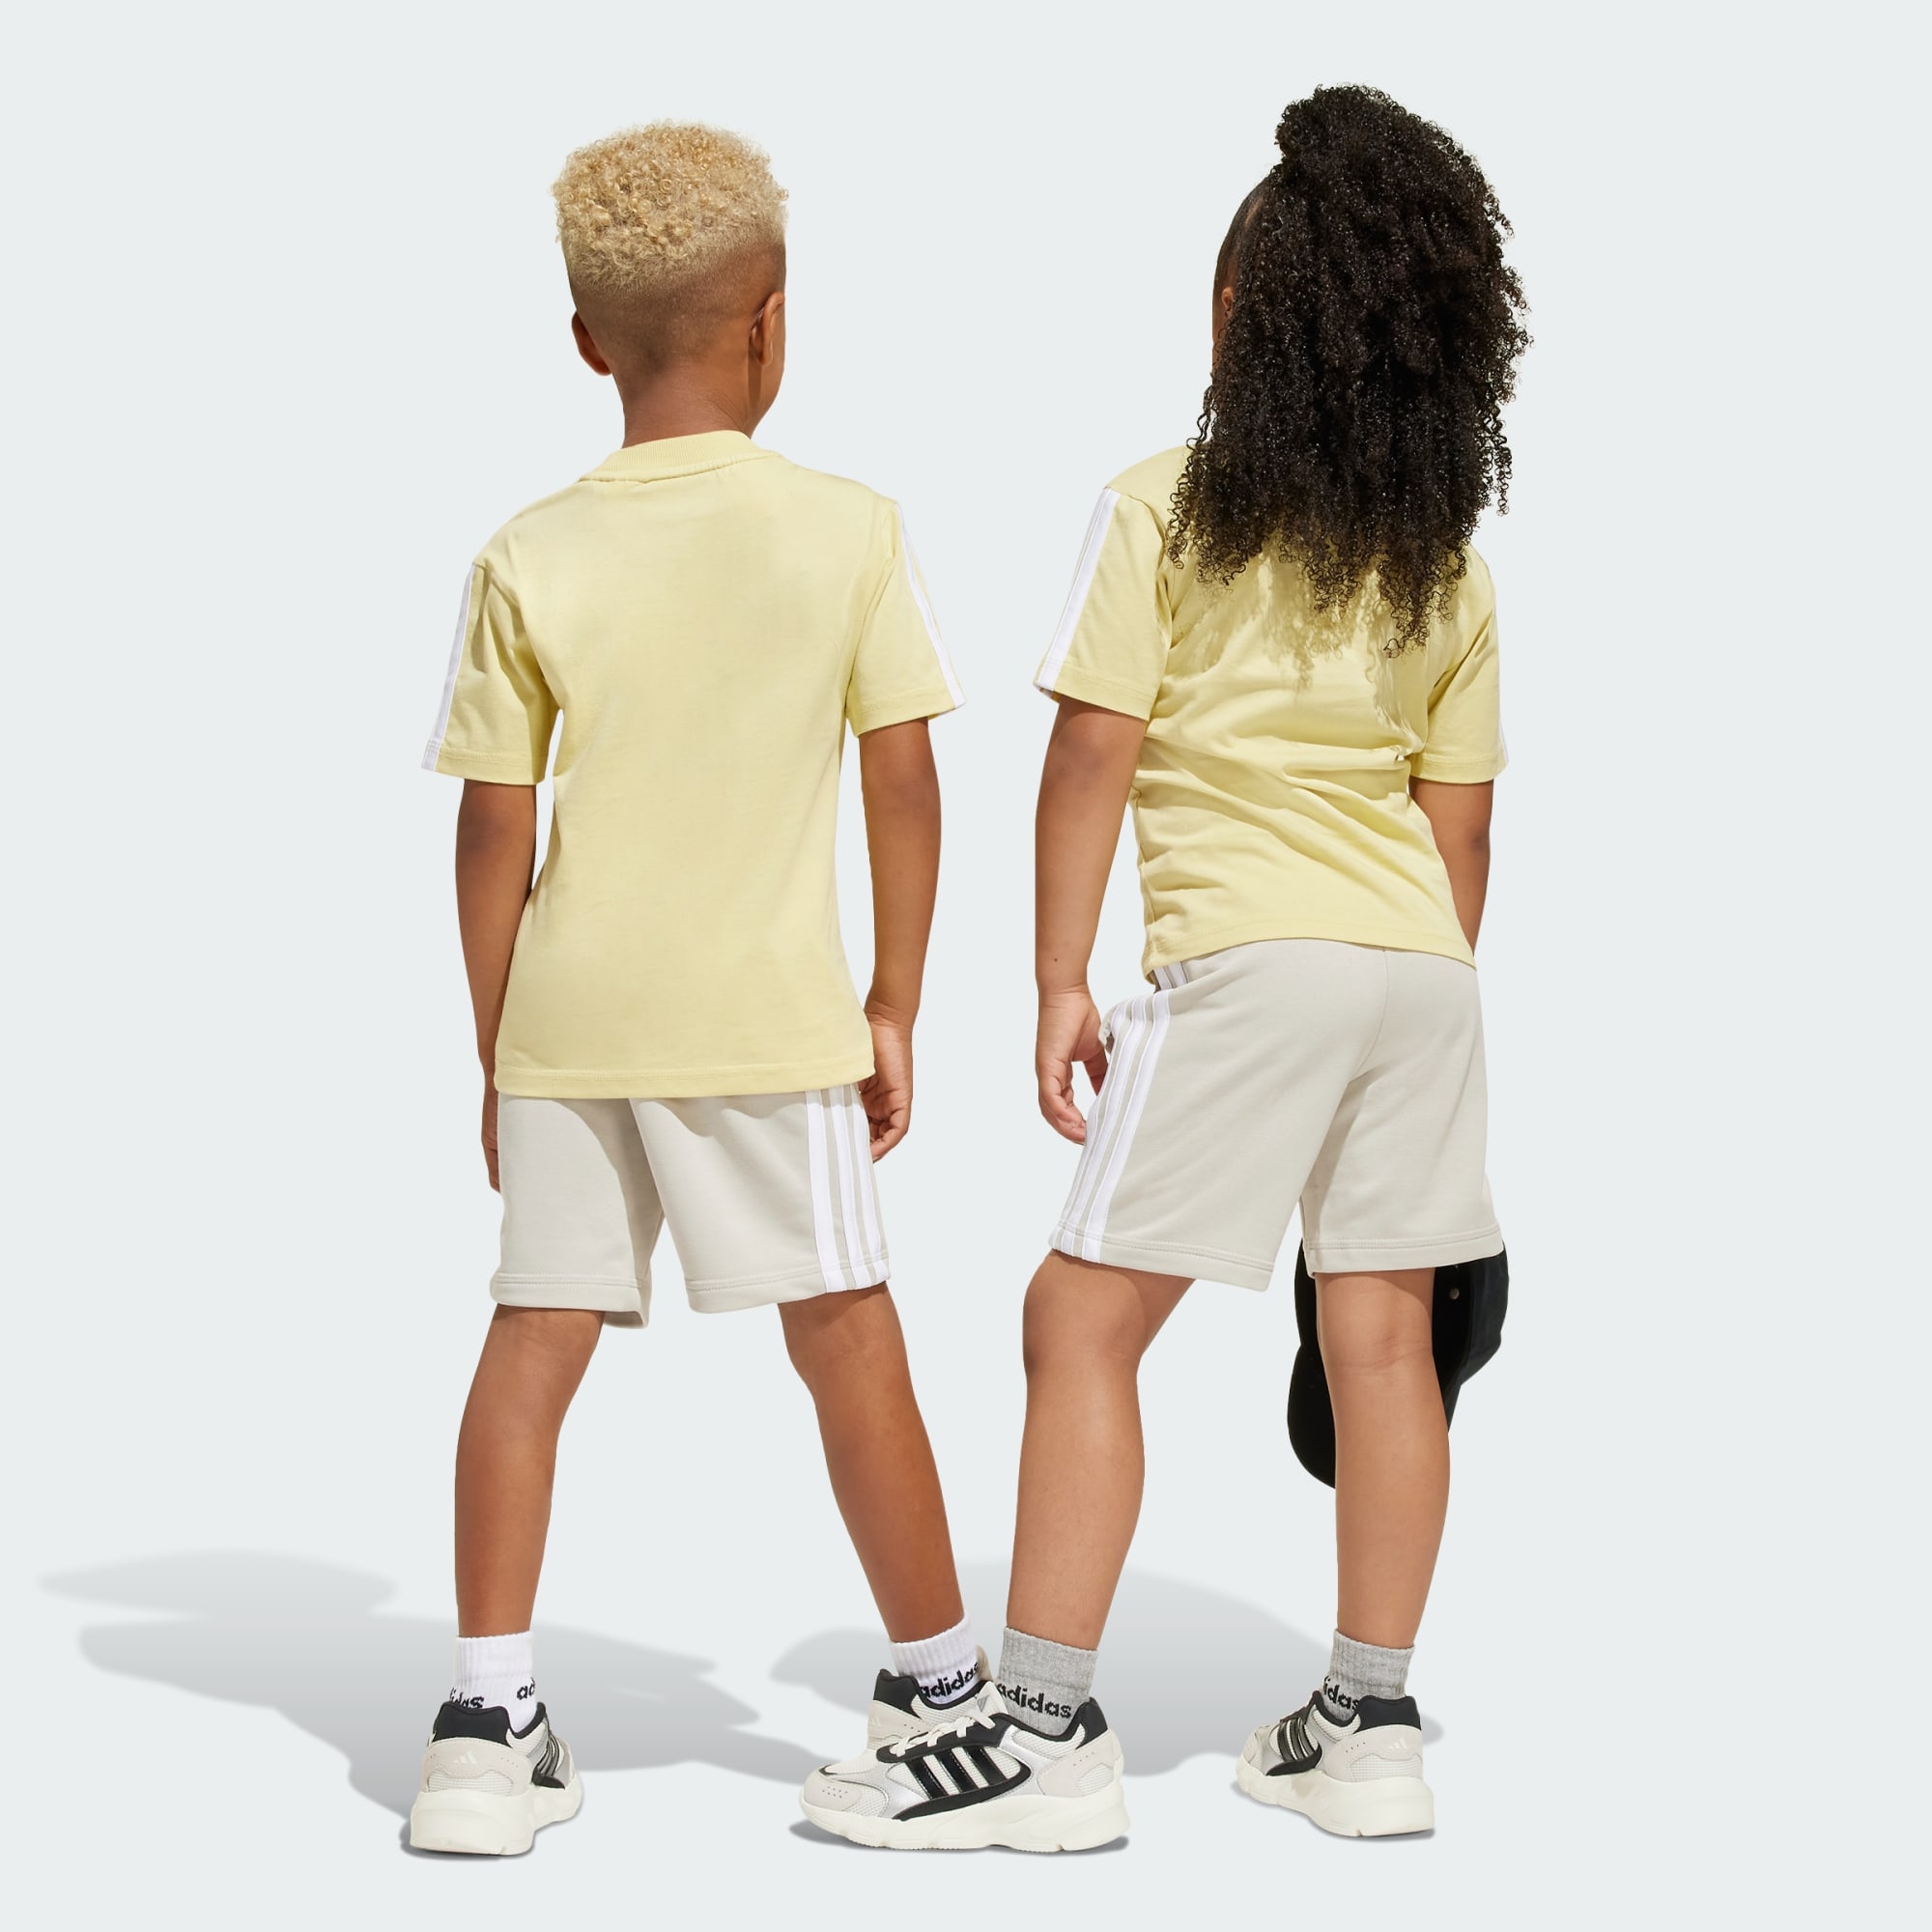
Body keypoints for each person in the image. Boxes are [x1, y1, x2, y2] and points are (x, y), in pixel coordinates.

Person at [802, 82, 1527, 1850]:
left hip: (1252, 959)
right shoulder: (1444, 559)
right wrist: (1397, 1010)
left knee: (1078, 1320)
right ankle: (1370, 1729)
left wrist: (1061, 981)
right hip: (1424, 974)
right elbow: (1464, 832)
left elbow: (1094, 752)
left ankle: (1039, 1737)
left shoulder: (1165, 509)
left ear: (1238, 317)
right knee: (1384, 1343)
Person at [407, 122, 991, 1857]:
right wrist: (895, 1001)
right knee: (849, 1337)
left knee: (530, 1345)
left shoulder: (527, 551)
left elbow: (491, 829)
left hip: (568, 1022)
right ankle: (947, 1695)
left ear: (588, 339)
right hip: (766, 1019)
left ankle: (483, 1724)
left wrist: (496, 1049)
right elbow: (904, 779)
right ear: (770, 323)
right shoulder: (850, 530)